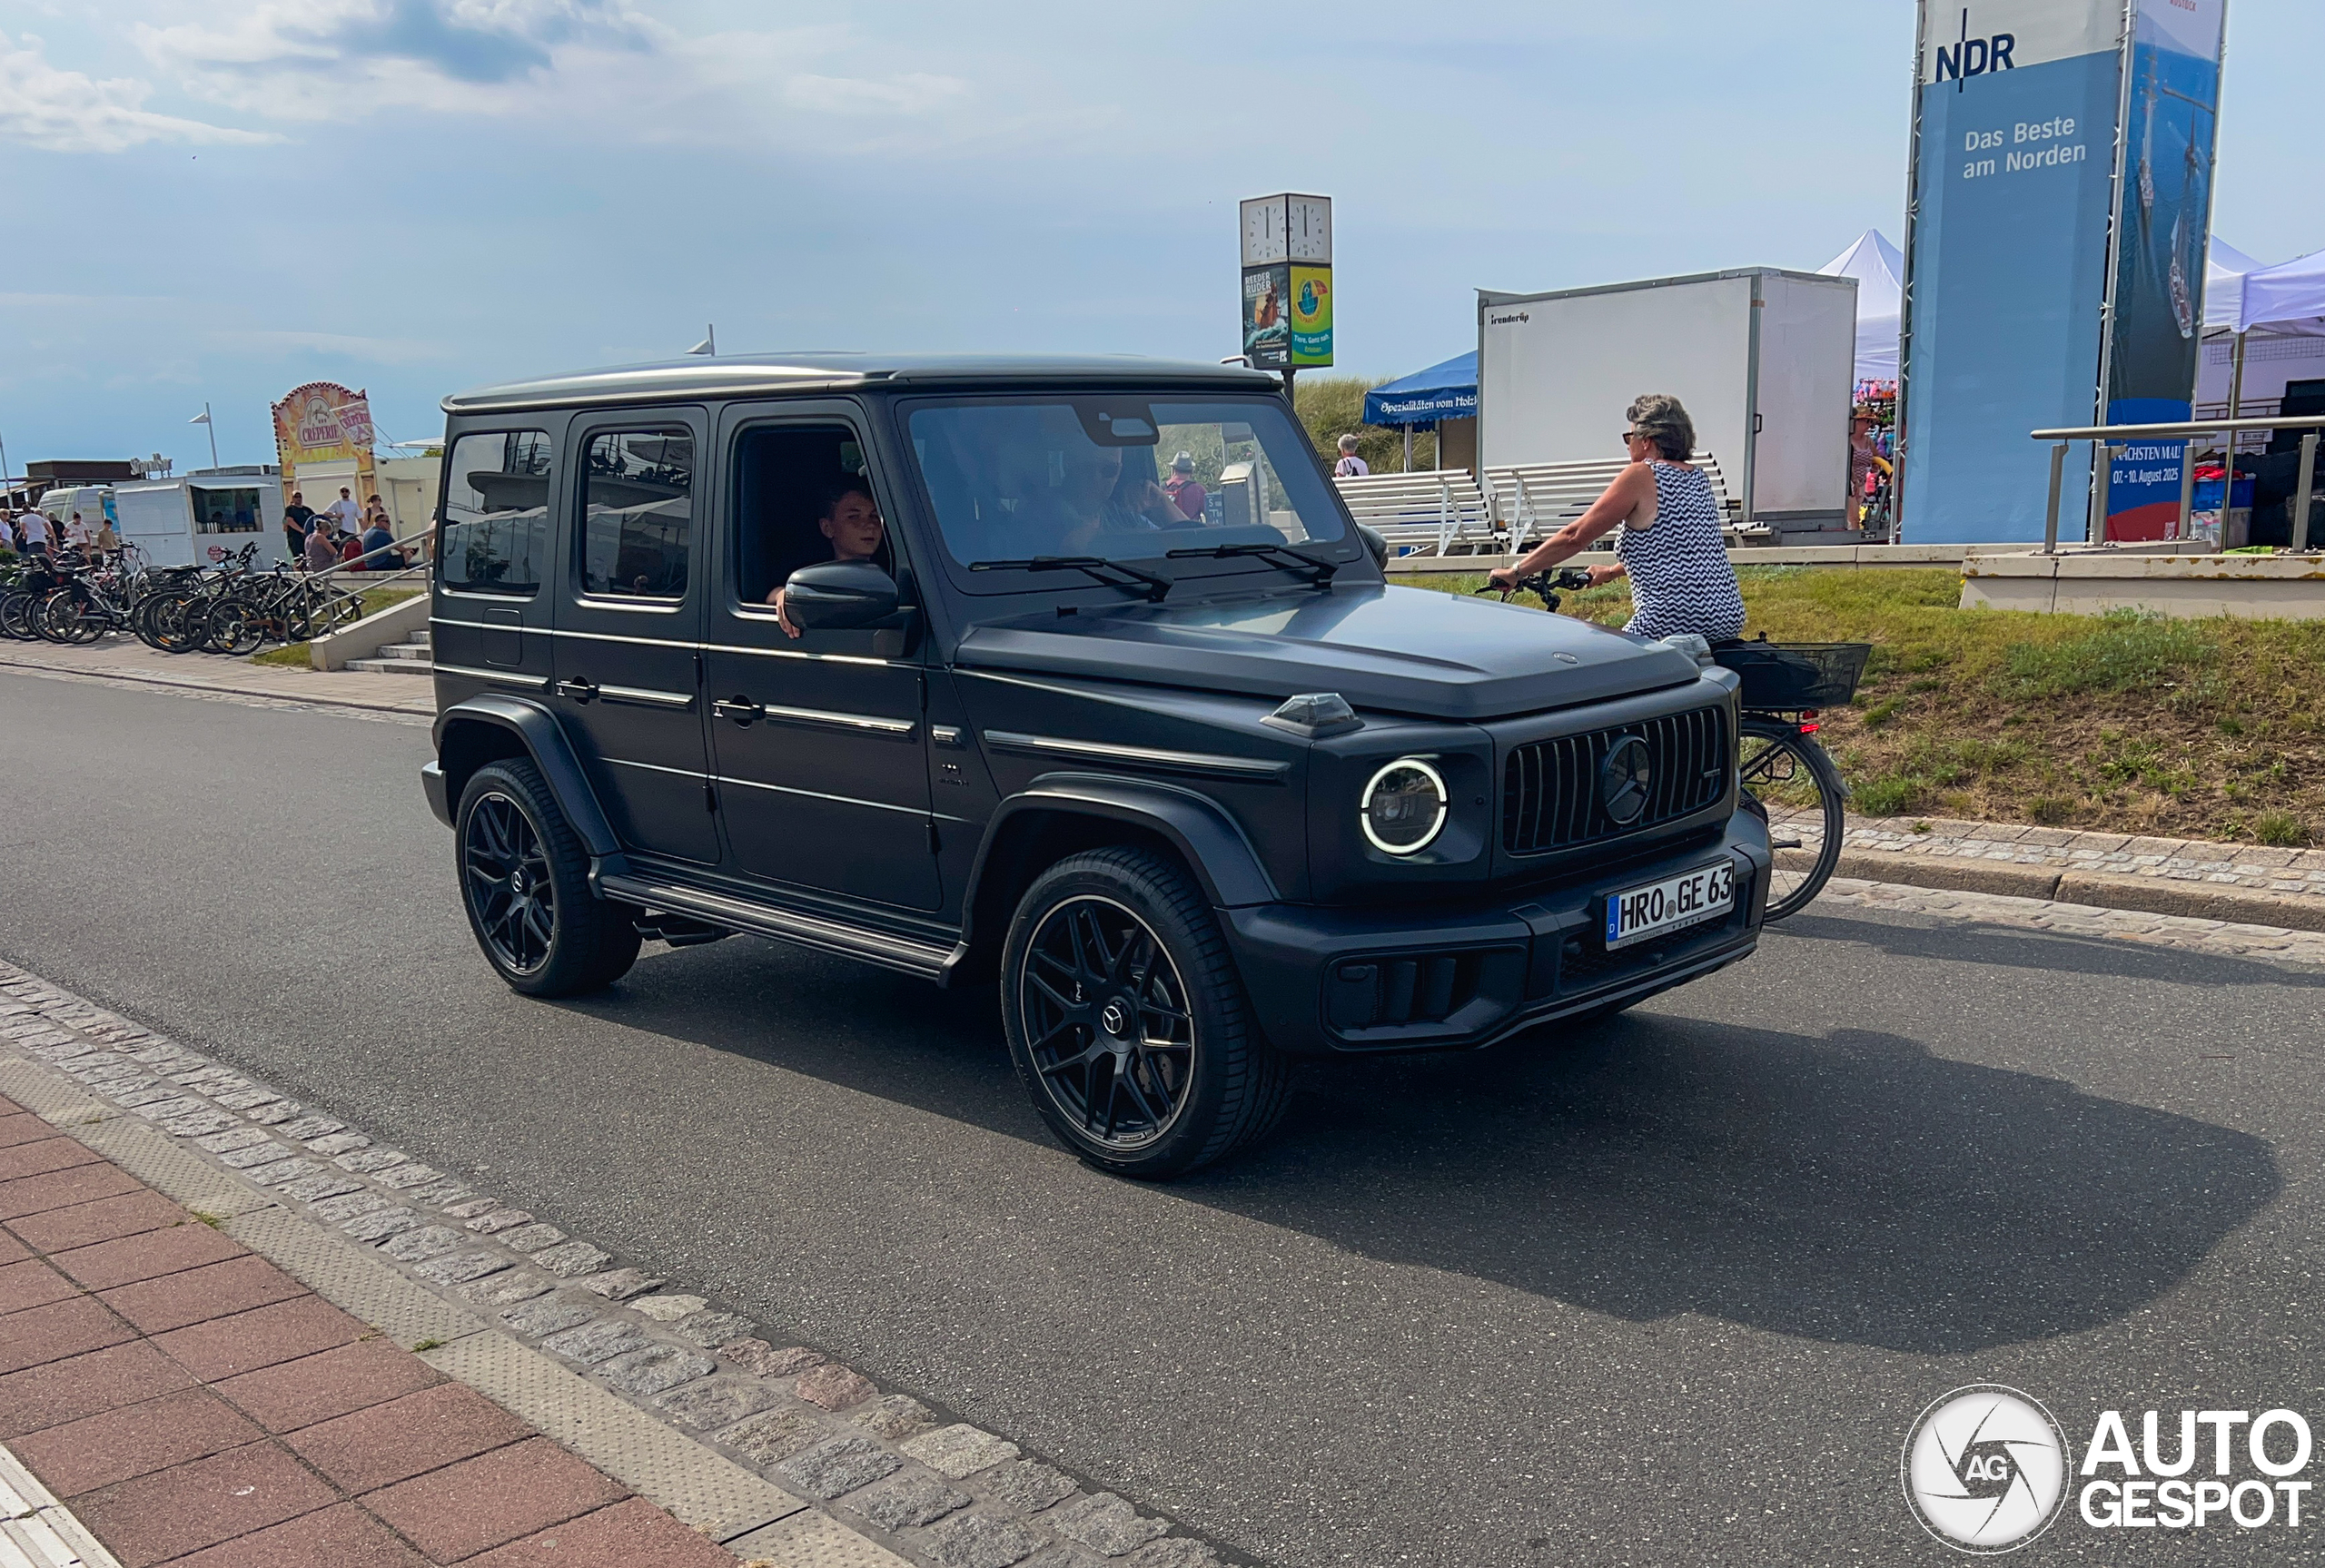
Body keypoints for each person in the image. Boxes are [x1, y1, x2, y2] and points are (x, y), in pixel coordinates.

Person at [1489, 393, 1745, 643]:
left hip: (1671, 620)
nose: (1627, 444)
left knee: (1593, 661)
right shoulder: (1698, 479)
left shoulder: (1641, 475)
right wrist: (1611, 572)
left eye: (1629, 436)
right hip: (1726, 615)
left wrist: (1516, 571)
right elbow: (1678, 551)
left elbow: (1575, 537)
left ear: (1647, 440)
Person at [767, 481, 885, 638]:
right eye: (854, 517)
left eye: (874, 516)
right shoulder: (816, 575)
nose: (869, 525)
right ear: (827, 528)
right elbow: (774, 595)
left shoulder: (899, 571)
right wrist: (784, 595)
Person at [1847, 410, 1892, 529]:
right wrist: (1854, 479)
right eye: (1867, 421)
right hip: (1849, 482)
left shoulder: (1868, 440)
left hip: (1862, 483)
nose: (1869, 425)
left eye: (1871, 422)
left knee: (1856, 517)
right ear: (1856, 422)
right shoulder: (1847, 440)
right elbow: (1846, 462)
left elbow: (1876, 457)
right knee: (1854, 518)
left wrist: (1875, 469)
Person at [1162, 453, 1208, 521]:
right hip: (1190, 531)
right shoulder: (1198, 490)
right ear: (1192, 471)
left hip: (1166, 531)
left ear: (1173, 470)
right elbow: (1211, 515)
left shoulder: (1160, 489)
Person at [283, 494, 314, 559]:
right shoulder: (290, 509)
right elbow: (289, 521)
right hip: (295, 538)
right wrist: (301, 530)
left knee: (308, 556)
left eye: (300, 497)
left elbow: (314, 519)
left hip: (307, 538)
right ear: (292, 498)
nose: (298, 498)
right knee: (298, 558)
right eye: (296, 497)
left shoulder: (307, 509)